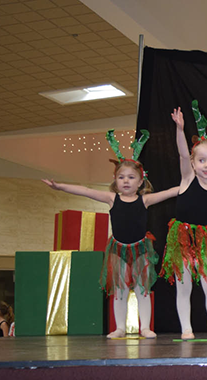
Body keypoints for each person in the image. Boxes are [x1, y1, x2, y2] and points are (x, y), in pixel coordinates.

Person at [42, 130, 178, 338]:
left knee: (142, 289)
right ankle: (119, 328)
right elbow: (85, 191)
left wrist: (190, 185)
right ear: (115, 180)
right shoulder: (112, 199)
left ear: (140, 181)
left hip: (141, 248)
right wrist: (60, 187)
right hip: (118, 249)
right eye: (121, 177)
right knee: (120, 289)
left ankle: (145, 327)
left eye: (131, 177)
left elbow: (170, 192)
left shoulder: (145, 200)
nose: (126, 181)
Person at [161, 101, 207, 339]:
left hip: (203, 240)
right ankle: (186, 328)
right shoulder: (187, 179)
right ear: (193, 164)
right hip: (182, 238)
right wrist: (180, 129)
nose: (206, 165)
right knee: (184, 286)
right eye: (201, 160)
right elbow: (183, 153)